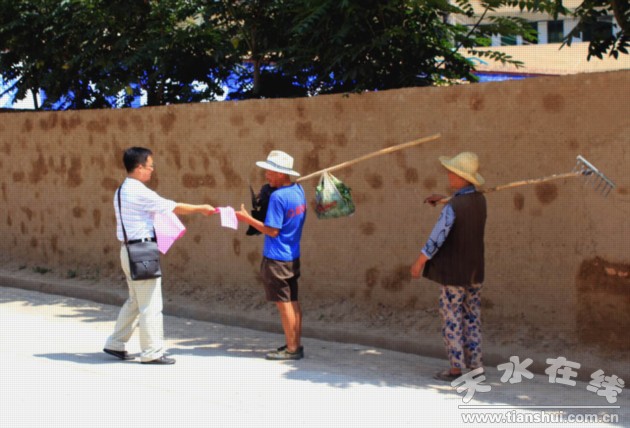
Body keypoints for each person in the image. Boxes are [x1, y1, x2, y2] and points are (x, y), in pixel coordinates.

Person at [104, 147, 216, 365]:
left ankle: (115, 343)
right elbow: (172, 207)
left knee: (136, 300)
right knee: (151, 304)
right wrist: (201, 208)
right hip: (141, 252)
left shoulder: (121, 190)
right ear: (139, 167)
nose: (152, 170)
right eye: (150, 166)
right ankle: (152, 352)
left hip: (128, 251)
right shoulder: (139, 191)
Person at [410, 152, 487, 381]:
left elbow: (437, 238)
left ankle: (455, 369)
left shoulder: (453, 207)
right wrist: (446, 200)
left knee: (452, 318)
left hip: (454, 273)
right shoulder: (480, 201)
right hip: (474, 271)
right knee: (472, 318)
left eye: (452, 173)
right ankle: (476, 366)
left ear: (462, 178)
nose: (449, 175)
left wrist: (419, 262)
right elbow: (463, 204)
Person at [236, 150, 307, 361]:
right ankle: (295, 344)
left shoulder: (278, 197)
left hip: (277, 258)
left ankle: (292, 349)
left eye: (270, 171)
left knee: (284, 304)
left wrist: (247, 219)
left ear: (281, 173)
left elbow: (272, 230)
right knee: (293, 301)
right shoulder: (298, 190)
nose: (266, 175)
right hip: (292, 255)